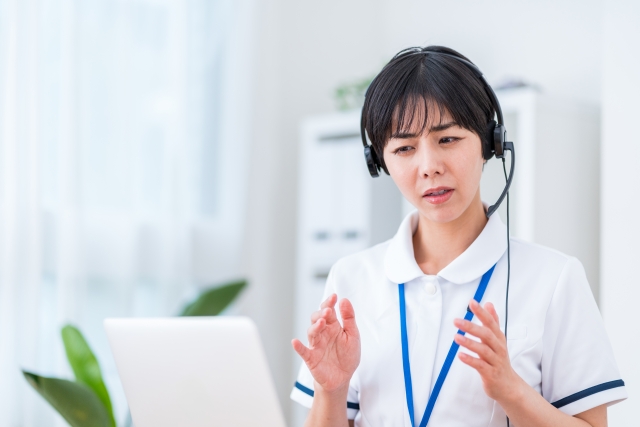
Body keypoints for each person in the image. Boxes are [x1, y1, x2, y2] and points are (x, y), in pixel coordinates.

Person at [289, 46, 626, 427]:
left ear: (489, 143)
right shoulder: (352, 278)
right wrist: (330, 390)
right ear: (380, 163)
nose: (429, 167)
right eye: (404, 148)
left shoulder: (555, 279)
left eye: (447, 139)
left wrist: (511, 390)